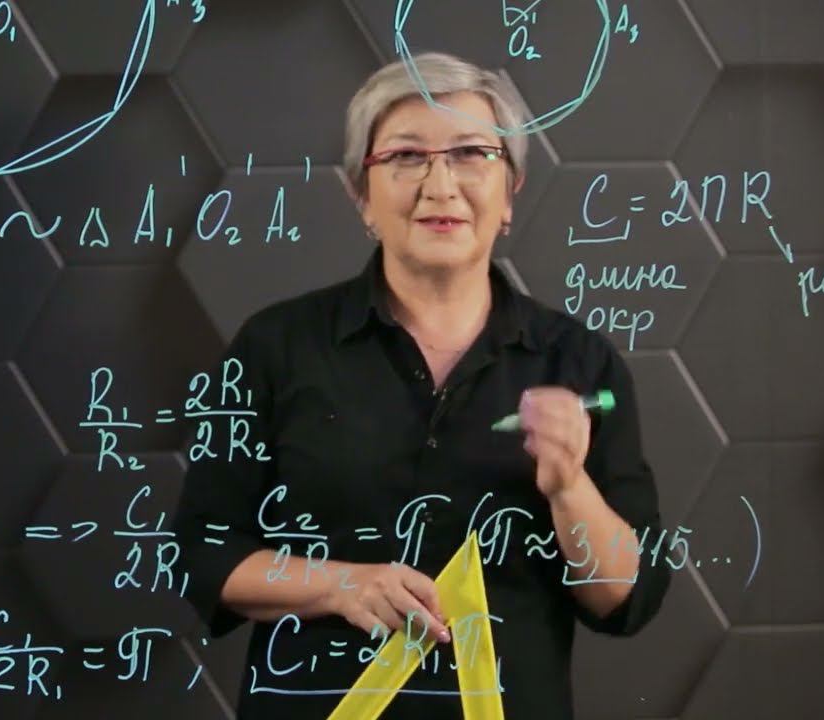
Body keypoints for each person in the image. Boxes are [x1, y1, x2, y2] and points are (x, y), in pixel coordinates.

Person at [173, 51, 671, 719]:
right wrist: (339, 585)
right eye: (407, 156)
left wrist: (568, 486)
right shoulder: (277, 347)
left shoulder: (579, 363)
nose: (441, 185)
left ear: (510, 191)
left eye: (471, 154)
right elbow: (204, 553)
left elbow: (626, 597)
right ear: (361, 194)